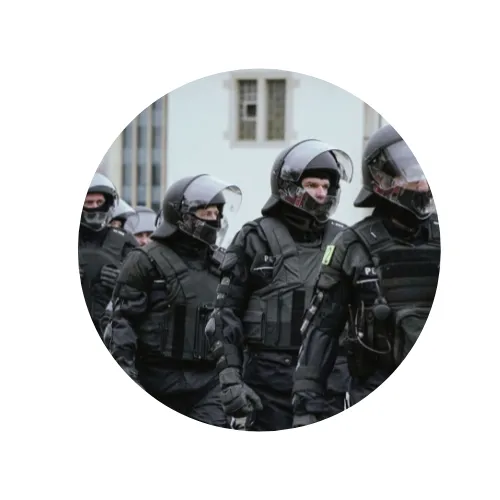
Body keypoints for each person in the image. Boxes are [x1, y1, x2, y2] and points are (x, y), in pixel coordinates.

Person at [291, 124, 441, 427]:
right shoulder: (352, 245)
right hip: (376, 393)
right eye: (412, 173)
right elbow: (322, 330)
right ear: (383, 179)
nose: (423, 183)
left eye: (425, 172)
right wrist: (306, 406)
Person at [204, 139, 354, 431]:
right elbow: (224, 315)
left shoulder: (345, 241)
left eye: (326, 186)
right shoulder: (254, 238)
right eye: (312, 185)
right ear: (289, 186)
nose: (320, 193)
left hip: (329, 386)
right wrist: (231, 380)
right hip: (268, 388)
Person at [108, 174, 242, 428]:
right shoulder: (143, 260)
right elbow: (122, 323)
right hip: (154, 382)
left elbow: (234, 324)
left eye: (216, 213)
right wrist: (126, 376)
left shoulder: (223, 263)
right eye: (206, 213)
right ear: (182, 216)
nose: (213, 219)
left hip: (207, 385)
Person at [78, 173, 138, 337]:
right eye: (89, 203)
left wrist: (123, 284)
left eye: (99, 202)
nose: (95, 207)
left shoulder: (125, 241)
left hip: (111, 329)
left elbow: (144, 287)